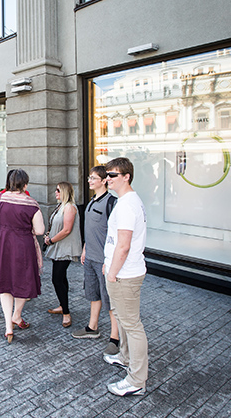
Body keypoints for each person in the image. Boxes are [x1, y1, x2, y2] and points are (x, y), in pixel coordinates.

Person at [102, 157, 148, 397]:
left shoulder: (128, 204)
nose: (107, 179)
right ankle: (125, 356)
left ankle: (136, 380)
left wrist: (112, 271)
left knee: (132, 324)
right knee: (123, 318)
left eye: (112, 175)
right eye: (106, 175)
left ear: (126, 176)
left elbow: (124, 245)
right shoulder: (126, 201)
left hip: (125, 274)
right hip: (121, 271)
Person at [0, 169, 45, 344]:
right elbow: (40, 231)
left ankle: (8, 327)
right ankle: (17, 315)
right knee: (24, 281)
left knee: (5, 283)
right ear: (25, 184)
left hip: (4, 244)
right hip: (24, 246)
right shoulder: (31, 203)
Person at [73, 166, 120, 356]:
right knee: (93, 295)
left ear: (104, 181)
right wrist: (84, 249)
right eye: (89, 177)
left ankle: (115, 338)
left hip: (104, 261)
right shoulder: (92, 201)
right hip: (90, 258)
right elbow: (90, 230)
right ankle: (92, 328)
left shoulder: (112, 203)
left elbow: (115, 235)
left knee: (110, 301)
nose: (89, 181)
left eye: (93, 178)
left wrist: (110, 262)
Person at [44, 181, 82, 328]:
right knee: (61, 278)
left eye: (58, 190)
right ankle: (62, 305)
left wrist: (51, 240)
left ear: (65, 192)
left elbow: (67, 230)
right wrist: (49, 236)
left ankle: (66, 312)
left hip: (65, 249)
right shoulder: (60, 206)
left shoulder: (70, 207)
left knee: (57, 279)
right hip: (58, 247)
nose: (55, 192)